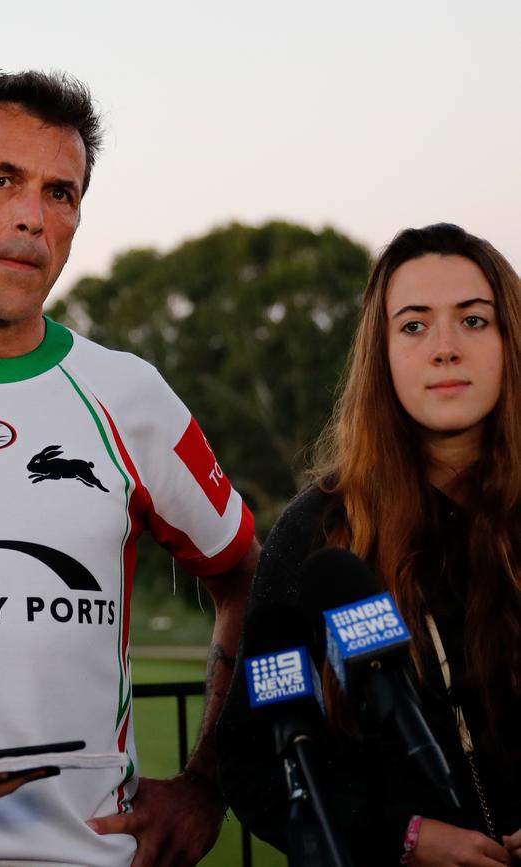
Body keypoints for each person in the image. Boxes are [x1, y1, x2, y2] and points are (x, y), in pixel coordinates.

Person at [0, 69, 259, 867]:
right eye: (2, 180)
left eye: (61, 193)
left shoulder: (130, 396)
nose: (31, 217)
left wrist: (207, 780)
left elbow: (249, 574)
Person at [218, 223, 521, 866]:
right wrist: (404, 838)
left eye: (473, 320)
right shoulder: (317, 534)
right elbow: (255, 761)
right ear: (379, 352)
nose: (444, 348)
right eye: (413, 325)